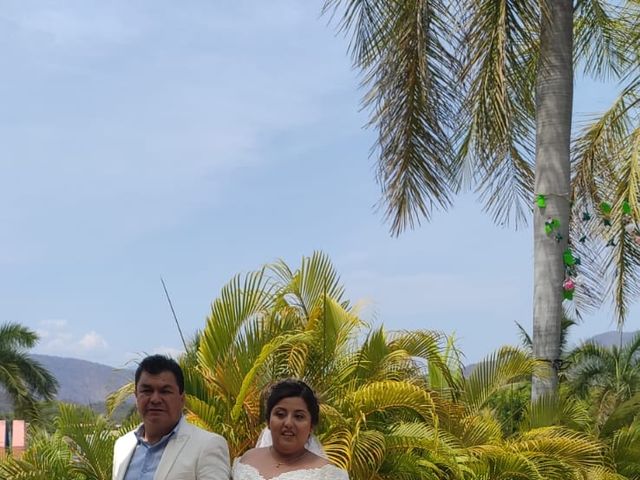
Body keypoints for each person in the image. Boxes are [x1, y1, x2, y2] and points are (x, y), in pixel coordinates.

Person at [112, 354, 230, 480]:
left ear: (182, 399)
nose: (155, 399)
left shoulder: (207, 446)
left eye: (165, 391)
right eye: (147, 391)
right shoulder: (123, 446)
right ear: (136, 396)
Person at [232, 379, 349, 480]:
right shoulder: (247, 459)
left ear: (311, 426)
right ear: (268, 421)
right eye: (280, 414)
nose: (288, 423)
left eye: (299, 417)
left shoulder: (328, 475)